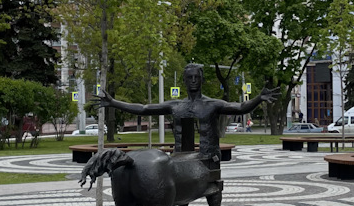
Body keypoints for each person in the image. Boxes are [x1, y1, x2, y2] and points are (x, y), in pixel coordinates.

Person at [100, 63, 278, 169]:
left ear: (202, 80)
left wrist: (258, 98)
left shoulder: (212, 105)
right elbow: (144, 109)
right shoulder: (176, 106)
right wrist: (114, 102)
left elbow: (240, 107)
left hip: (209, 161)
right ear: (184, 80)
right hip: (181, 160)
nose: (193, 80)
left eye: (196, 77)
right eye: (190, 77)